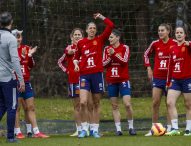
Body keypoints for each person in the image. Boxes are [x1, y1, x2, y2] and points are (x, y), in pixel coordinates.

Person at [73, 13, 114, 138]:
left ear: (96, 31)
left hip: (97, 75)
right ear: (86, 30)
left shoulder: (100, 40)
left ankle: (95, 130)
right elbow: (76, 57)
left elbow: (111, 25)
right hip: (84, 75)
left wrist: (101, 17)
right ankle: (84, 129)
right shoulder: (81, 43)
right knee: (83, 102)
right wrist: (76, 64)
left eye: (94, 28)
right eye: (90, 28)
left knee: (96, 103)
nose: (92, 30)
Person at [12, 29, 49, 138]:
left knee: (31, 106)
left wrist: (30, 55)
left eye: (19, 37)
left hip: (26, 82)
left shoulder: (26, 48)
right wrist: (23, 57)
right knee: (17, 107)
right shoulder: (10, 50)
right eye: (16, 36)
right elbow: (13, 65)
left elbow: (31, 65)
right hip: (15, 82)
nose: (18, 39)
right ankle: (17, 132)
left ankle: (36, 132)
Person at [143, 23, 176, 136]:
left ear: (168, 31)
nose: (160, 32)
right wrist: (148, 68)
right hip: (157, 78)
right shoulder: (155, 44)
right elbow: (146, 54)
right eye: (159, 30)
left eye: (162, 30)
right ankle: (154, 128)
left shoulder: (174, 43)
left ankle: (169, 128)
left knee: (169, 103)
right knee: (155, 102)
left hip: (171, 78)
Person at [103, 29, 136, 136]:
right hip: (111, 81)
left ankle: (131, 127)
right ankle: (118, 129)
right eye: (109, 37)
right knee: (114, 105)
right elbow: (103, 64)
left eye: (111, 37)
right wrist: (112, 56)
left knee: (127, 104)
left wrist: (114, 55)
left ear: (118, 37)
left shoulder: (125, 47)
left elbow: (124, 61)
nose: (109, 39)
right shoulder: (106, 49)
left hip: (123, 80)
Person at [0, 12, 25, 143]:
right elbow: (15, 60)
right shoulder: (11, 38)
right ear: (11, 22)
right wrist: (21, 80)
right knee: (12, 106)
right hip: (8, 78)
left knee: (2, 105)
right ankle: (10, 137)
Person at [165, 26, 191, 136]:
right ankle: (175, 128)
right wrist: (168, 81)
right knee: (169, 102)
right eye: (177, 32)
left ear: (185, 35)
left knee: (188, 104)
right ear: (175, 35)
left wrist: (189, 44)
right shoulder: (172, 48)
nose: (179, 34)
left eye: (181, 32)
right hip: (175, 80)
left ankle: (188, 129)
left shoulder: (188, 45)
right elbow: (170, 66)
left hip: (187, 79)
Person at [58, 28, 84, 136]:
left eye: (79, 34)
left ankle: (90, 128)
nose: (77, 36)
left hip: (85, 79)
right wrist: (68, 70)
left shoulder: (85, 47)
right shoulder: (69, 48)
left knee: (87, 104)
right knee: (77, 105)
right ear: (71, 37)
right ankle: (79, 129)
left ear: (82, 36)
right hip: (73, 80)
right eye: (75, 35)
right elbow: (59, 62)